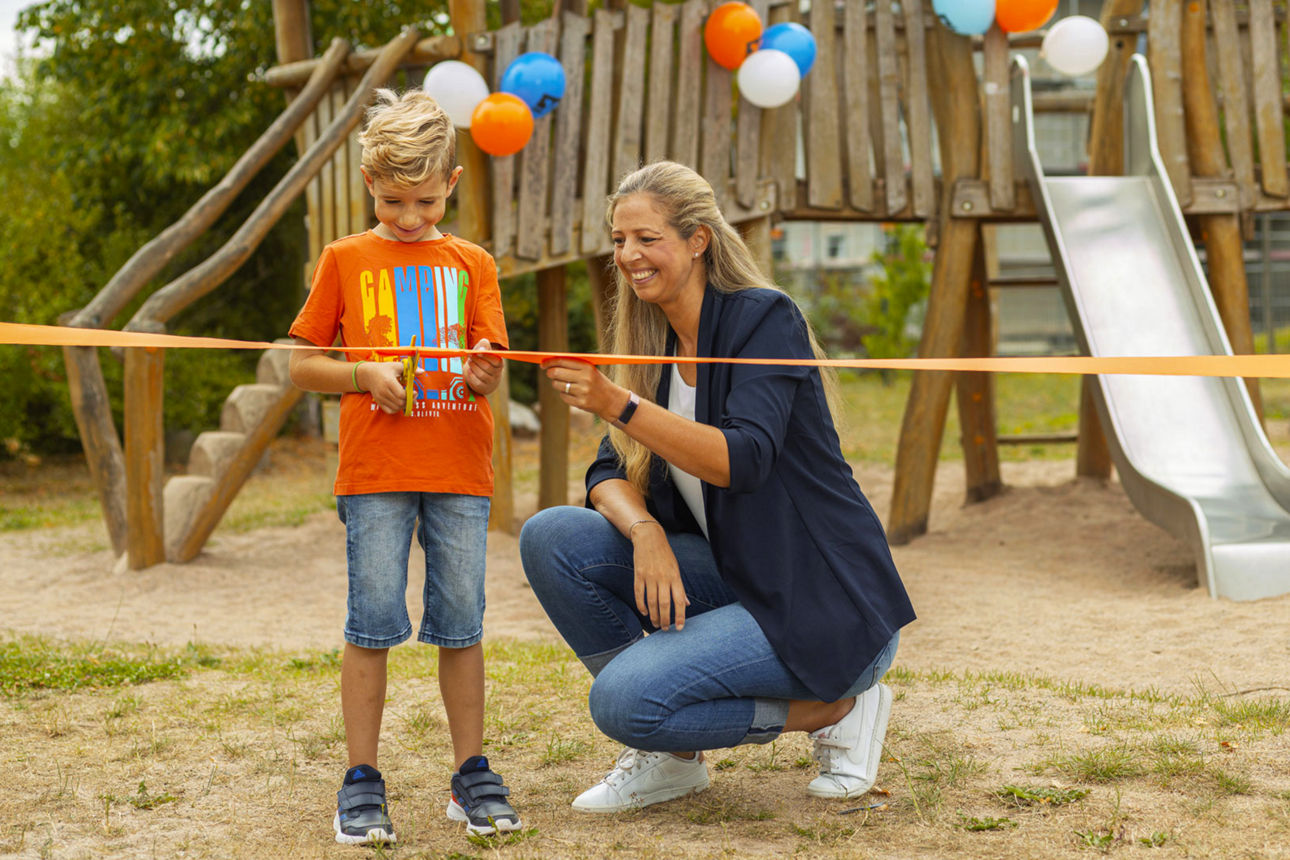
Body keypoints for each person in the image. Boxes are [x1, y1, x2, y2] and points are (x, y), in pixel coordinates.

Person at [519, 160, 915, 813]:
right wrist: (645, 530)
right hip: (738, 577)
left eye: (647, 238)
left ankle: (835, 708)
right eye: (619, 240)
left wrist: (617, 403)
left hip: (820, 601)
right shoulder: (651, 340)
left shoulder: (764, 320)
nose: (629, 256)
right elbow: (607, 472)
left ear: (698, 239)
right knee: (553, 537)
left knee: (622, 702)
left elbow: (745, 458)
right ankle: (673, 756)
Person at [288, 89, 519, 844]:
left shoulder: (474, 263)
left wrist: (485, 371)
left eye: (424, 200)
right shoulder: (344, 259)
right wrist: (363, 376)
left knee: (461, 628)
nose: (410, 217)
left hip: (459, 471)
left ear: (451, 183)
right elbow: (301, 366)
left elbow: (491, 361)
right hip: (376, 474)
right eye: (393, 202)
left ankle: (471, 773)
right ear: (369, 186)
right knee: (372, 625)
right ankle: (361, 780)